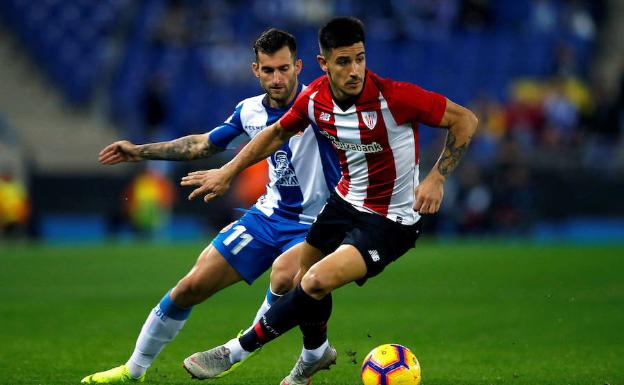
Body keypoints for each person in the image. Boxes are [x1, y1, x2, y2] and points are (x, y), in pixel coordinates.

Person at [180, 16, 478, 385]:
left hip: (390, 221)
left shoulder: (395, 97)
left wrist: (437, 177)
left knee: (316, 281)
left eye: (360, 58)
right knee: (292, 275)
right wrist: (228, 171)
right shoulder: (315, 98)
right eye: (343, 61)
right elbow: (274, 135)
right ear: (324, 64)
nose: (355, 70)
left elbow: (465, 120)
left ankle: (235, 351)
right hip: (343, 204)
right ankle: (315, 356)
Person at [81, 28, 339, 384]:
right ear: (255, 70)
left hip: (320, 221)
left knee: (284, 273)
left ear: (298, 66)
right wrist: (140, 151)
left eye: (283, 69)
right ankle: (132, 371)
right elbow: (203, 144)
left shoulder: (321, 103)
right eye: (268, 70)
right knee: (189, 287)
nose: (277, 78)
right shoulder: (248, 111)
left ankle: (238, 351)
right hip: (268, 216)